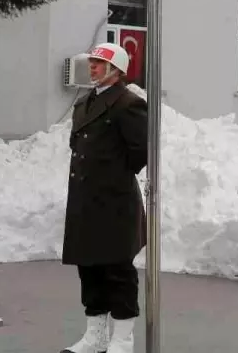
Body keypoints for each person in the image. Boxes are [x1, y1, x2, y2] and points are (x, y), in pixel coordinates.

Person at [60, 43, 148, 353]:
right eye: (92, 62)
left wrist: (110, 177)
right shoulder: (84, 103)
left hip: (115, 202)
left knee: (118, 271)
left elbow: (140, 153)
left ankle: (122, 340)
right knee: (89, 268)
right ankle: (94, 336)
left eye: (99, 63)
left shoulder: (129, 104)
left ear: (116, 70)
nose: (92, 67)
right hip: (86, 201)